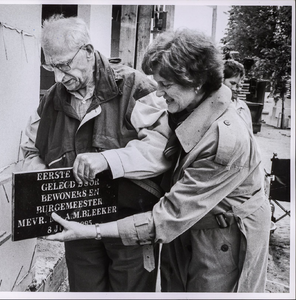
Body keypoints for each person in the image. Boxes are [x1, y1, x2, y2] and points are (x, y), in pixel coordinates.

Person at [47, 28, 271, 293]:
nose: (158, 93)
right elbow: (156, 145)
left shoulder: (226, 141)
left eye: (165, 85)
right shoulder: (188, 106)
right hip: (188, 230)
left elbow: (167, 218)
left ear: (195, 80)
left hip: (222, 240)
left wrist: (91, 231)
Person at [21, 15, 172, 292]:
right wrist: (41, 178)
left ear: (89, 52)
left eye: (64, 65)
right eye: (50, 66)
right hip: (77, 226)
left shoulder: (135, 87)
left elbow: (161, 148)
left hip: (130, 224)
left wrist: (107, 160)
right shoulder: (51, 100)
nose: (57, 77)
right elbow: (31, 149)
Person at [223, 59, 253, 129]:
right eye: (232, 83)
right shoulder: (212, 105)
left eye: (239, 85)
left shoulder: (243, 107)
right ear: (221, 80)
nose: (237, 89)